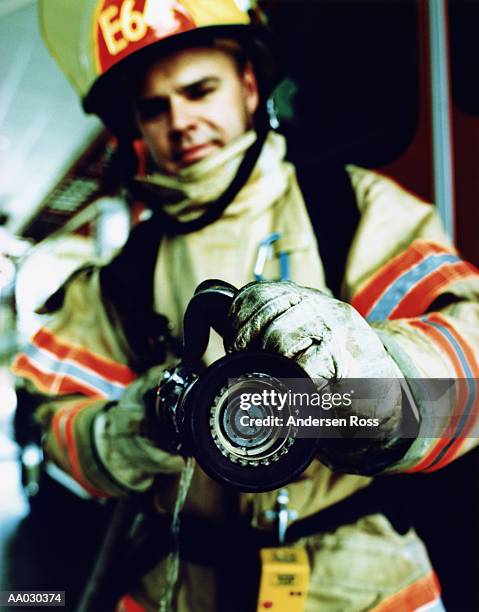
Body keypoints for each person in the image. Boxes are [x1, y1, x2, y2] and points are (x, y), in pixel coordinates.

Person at [12, 1, 479, 610]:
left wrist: (372, 389)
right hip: (177, 583)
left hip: (356, 585)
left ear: (250, 88)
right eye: (155, 107)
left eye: (200, 90)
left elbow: (466, 362)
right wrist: (134, 427)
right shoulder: (119, 279)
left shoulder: (351, 209)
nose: (180, 120)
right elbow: (56, 427)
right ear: (138, 127)